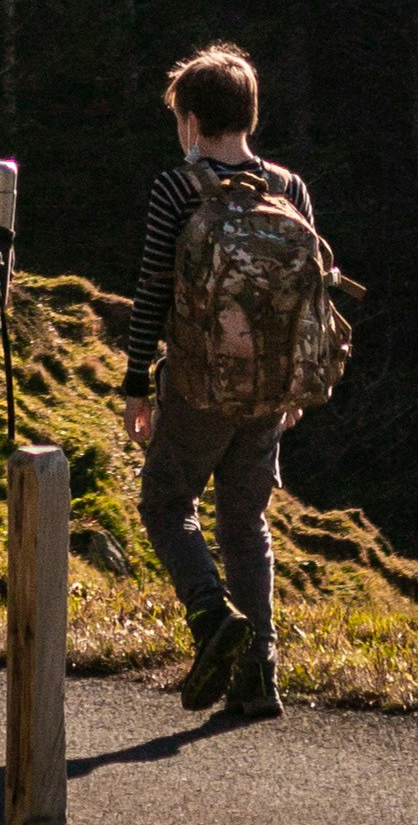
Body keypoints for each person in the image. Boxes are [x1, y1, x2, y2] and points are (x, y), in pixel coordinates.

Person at [121, 41, 327, 728]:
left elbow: (153, 290)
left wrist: (134, 385)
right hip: (271, 387)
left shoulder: (176, 187)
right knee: (246, 520)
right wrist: (298, 385)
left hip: (198, 384)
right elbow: (310, 298)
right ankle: (260, 674)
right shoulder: (289, 188)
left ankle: (211, 615)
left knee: (165, 499)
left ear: (190, 119)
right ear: (249, 114)